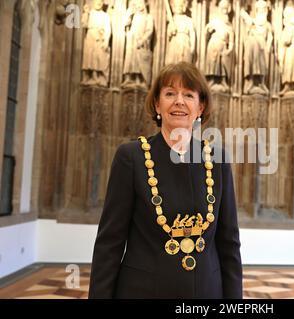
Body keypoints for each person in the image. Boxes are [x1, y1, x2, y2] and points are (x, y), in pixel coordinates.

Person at [88, 62, 243, 299]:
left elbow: (229, 244)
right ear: (157, 104)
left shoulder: (218, 160)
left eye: (188, 95)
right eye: (170, 93)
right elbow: (109, 244)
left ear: (200, 107)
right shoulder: (131, 157)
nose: (179, 101)